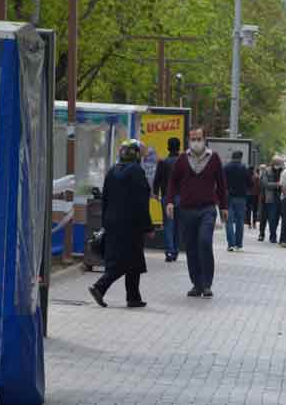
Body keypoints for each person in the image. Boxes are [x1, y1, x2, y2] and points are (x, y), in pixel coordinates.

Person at [89, 140, 153, 308]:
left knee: (133, 261)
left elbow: (105, 200)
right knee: (125, 261)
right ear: (136, 154)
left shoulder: (112, 171)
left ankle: (133, 297)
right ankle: (100, 287)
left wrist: (105, 223)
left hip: (112, 224)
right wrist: (148, 226)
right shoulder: (137, 171)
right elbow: (141, 202)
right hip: (131, 225)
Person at [166, 126, 228, 298]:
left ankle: (207, 284)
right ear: (188, 140)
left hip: (207, 209)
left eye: (198, 138)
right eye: (192, 138)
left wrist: (224, 206)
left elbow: (222, 184)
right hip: (186, 210)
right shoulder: (182, 159)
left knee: (205, 241)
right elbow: (172, 182)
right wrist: (170, 201)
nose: (195, 142)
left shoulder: (213, 158)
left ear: (204, 139)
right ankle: (197, 284)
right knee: (191, 248)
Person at [153, 137, 181, 262]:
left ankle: (169, 251)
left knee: (168, 224)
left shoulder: (163, 162)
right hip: (181, 197)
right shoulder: (183, 162)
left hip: (166, 196)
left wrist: (155, 193)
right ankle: (176, 250)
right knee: (178, 225)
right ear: (179, 147)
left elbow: (157, 180)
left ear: (168, 147)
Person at [224, 151, 252, 252]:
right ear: (241, 157)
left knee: (229, 221)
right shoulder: (244, 168)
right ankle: (238, 244)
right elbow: (250, 182)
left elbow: (222, 183)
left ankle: (230, 244)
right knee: (240, 221)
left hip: (228, 198)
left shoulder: (226, 167)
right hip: (241, 197)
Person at [260, 157, 284, 243]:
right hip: (270, 198)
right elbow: (265, 183)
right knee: (271, 218)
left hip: (281, 198)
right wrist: (277, 184)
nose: (278, 165)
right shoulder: (267, 171)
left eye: (280, 163)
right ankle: (272, 236)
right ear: (273, 163)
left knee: (277, 218)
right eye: (277, 163)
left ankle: (273, 234)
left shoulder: (283, 171)